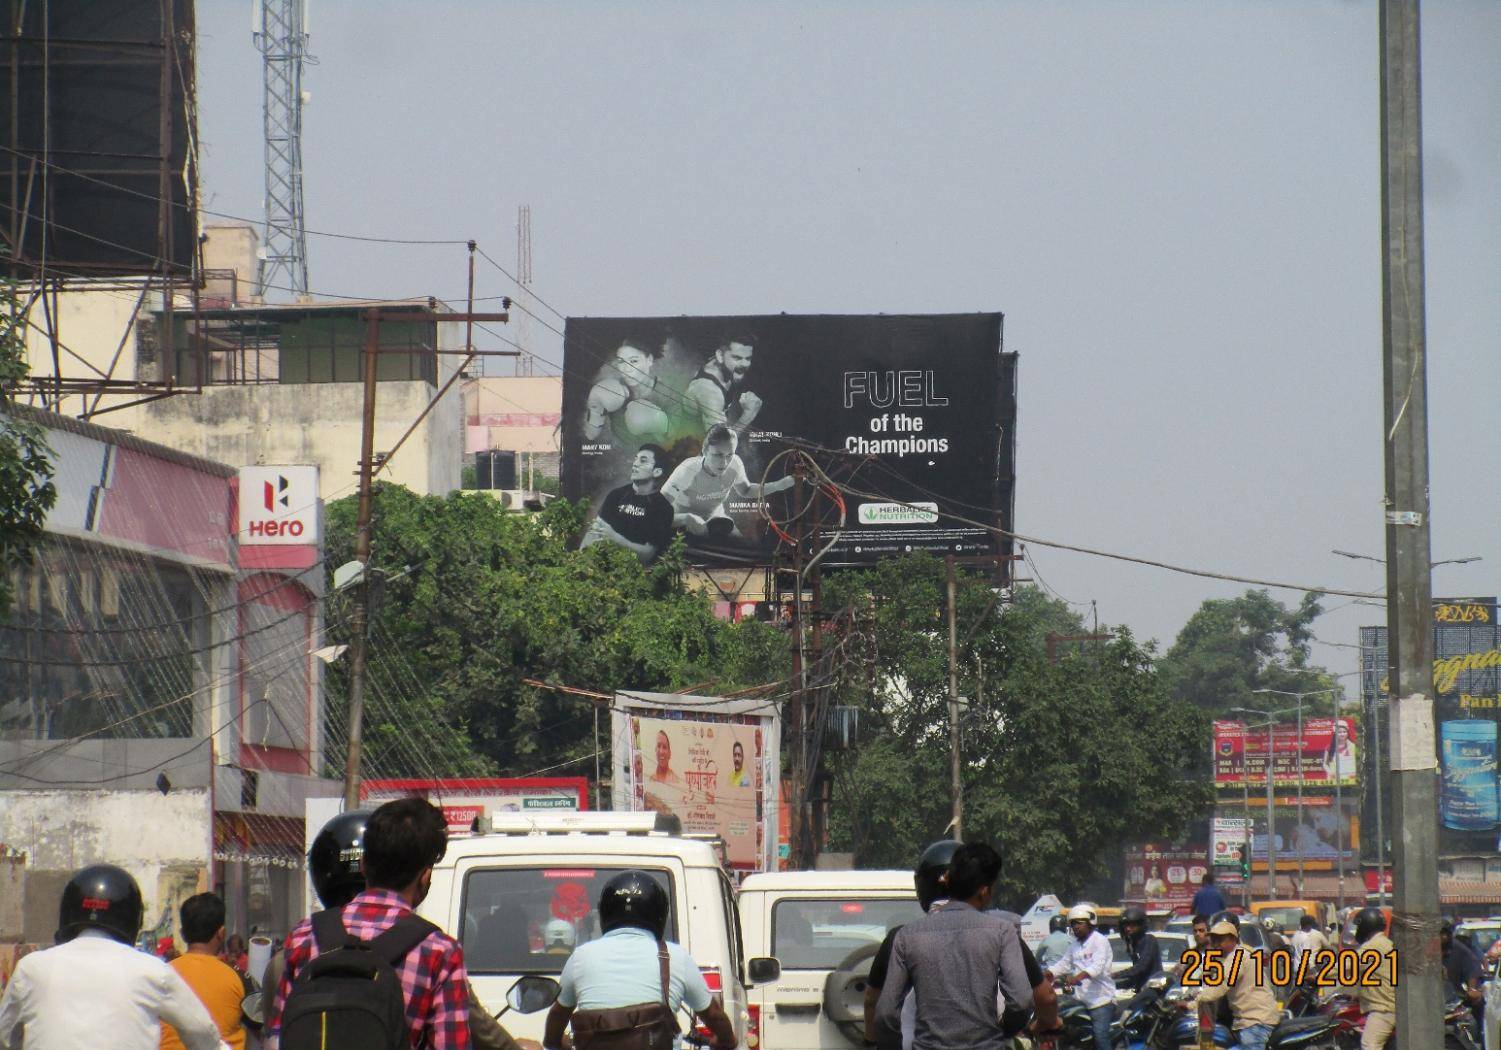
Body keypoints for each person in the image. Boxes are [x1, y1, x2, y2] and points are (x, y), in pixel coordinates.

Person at [266, 798, 470, 1050]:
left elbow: (277, 1038)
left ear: (363, 865)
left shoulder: (304, 936)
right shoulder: (440, 952)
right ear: (425, 876)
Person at [0, 864, 224, 1050]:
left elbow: (5, 1036)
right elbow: (203, 1034)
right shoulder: (152, 971)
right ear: (132, 919)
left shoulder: (31, 968)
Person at [874, 842, 1057, 1050]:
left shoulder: (907, 936)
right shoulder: (1002, 932)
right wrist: (1000, 1033)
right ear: (984, 891)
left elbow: (886, 1013)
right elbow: (1022, 1000)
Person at [543, 870, 736, 1050]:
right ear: (660, 914)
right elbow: (714, 1015)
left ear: (605, 912)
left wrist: (561, 1044)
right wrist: (725, 1041)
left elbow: (556, 1020)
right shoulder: (675, 956)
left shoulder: (580, 957)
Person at [660, 425, 794, 538]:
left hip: (716, 520)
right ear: (705, 451)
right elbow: (657, 510)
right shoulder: (688, 469)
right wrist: (686, 518)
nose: (724, 462)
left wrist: (778, 485)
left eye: (729, 455)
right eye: (717, 455)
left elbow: (746, 491)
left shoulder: (735, 463)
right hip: (681, 523)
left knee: (743, 547)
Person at [162, 892, 248, 1050]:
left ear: (182, 934)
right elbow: (262, 1024)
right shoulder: (239, 977)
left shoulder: (160, 975)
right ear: (221, 933)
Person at [1186, 916, 1281, 1050]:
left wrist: (1191, 1004)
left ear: (1233, 939)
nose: (1216, 943)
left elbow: (1220, 985)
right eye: (1214, 939)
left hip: (1255, 1021)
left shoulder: (1238, 956)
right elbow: (1201, 972)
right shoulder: (1224, 956)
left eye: (1220, 939)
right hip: (1246, 1020)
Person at [581, 445, 675, 562]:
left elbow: (648, 554)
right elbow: (594, 532)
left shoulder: (663, 508)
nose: (635, 464)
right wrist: (579, 560)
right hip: (603, 565)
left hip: (635, 573)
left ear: (657, 472)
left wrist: (616, 539)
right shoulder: (616, 495)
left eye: (643, 461)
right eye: (635, 459)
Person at [1043, 904, 1116, 1050]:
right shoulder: (1074, 945)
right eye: (1073, 923)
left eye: (1080, 923)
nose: (1076, 926)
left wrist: (1077, 978)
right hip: (1080, 999)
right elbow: (1063, 964)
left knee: (1100, 1038)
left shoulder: (1100, 940)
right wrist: (1047, 974)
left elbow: (1097, 966)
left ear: (1090, 923)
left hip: (1100, 1001)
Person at [582, 341, 669, 445]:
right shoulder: (612, 389)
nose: (627, 369)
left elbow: (679, 441)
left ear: (649, 360)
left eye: (634, 361)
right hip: (620, 458)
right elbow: (591, 435)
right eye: (621, 361)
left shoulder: (667, 393)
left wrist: (657, 422)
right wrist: (595, 407)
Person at [1335, 907, 1395, 1049]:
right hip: (1386, 1003)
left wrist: (1318, 976)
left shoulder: (1372, 946)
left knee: (1369, 1044)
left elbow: (1346, 965)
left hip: (1383, 1008)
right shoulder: (1385, 943)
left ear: (1366, 925)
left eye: (1359, 926)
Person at [685, 338, 763, 432]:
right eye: (737, 358)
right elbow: (720, 445)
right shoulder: (710, 392)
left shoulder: (719, 364)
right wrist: (748, 415)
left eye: (748, 358)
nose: (745, 364)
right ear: (720, 355)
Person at [1116, 905, 1163, 1007]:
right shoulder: (1133, 944)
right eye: (1126, 925)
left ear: (1141, 925)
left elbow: (1141, 967)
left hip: (1153, 991)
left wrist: (1115, 975)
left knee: (1127, 1008)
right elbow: (1136, 978)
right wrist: (1111, 984)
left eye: (1133, 925)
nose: (1128, 928)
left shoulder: (1149, 940)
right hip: (1141, 991)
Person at [1443, 919, 1485, 1029]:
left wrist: (1472, 989)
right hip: (1424, 1002)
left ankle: (1480, 1038)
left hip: (1453, 1000)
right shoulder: (1419, 949)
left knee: (1476, 1011)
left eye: (1443, 933)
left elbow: (1473, 968)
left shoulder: (1460, 950)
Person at [1173, 914, 1213, 983]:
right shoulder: (1190, 954)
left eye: (1201, 931)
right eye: (1195, 931)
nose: (1197, 934)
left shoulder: (1218, 953)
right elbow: (1176, 973)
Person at [1290, 915, 1328, 980]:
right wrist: (1308, 973)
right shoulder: (1305, 938)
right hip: (1307, 969)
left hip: (1296, 968)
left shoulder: (1295, 936)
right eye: (1311, 925)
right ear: (1308, 925)